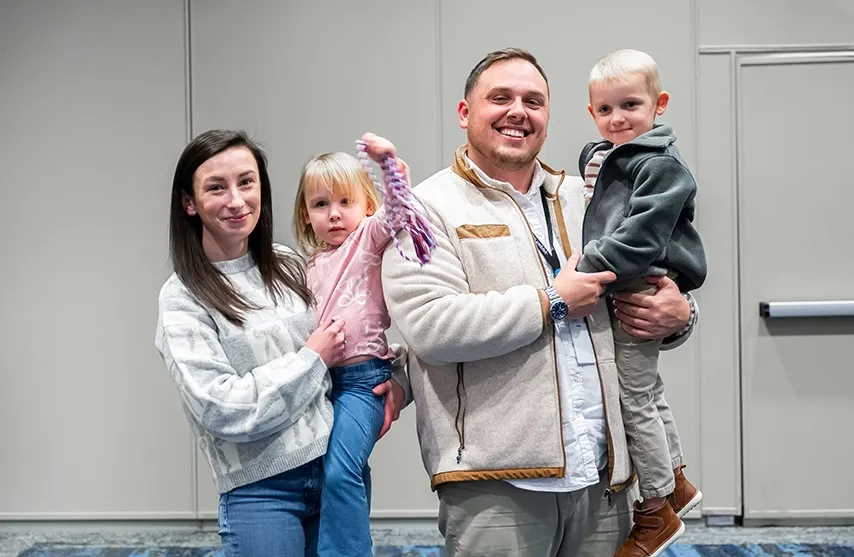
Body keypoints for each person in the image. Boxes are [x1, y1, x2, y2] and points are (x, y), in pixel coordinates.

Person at [380, 48, 699, 557]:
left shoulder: (588, 195)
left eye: (534, 101)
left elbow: (650, 275)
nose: (518, 111)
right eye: (500, 98)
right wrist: (551, 301)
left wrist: (680, 316)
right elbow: (431, 329)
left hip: (606, 478)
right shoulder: (423, 208)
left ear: (548, 119)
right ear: (465, 113)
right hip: (495, 485)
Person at [154, 129, 405, 557]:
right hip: (260, 492)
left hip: (334, 474)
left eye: (246, 182)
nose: (236, 200)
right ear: (189, 203)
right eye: (217, 187)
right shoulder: (182, 298)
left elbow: (359, 328)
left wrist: (400, 381)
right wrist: (312, 359)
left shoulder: (292, 265)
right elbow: (222, 407)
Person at [577, 48, 707, 557]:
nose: (618, 118)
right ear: (592, 112)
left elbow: (641, 237)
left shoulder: (661, 166)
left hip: (636, 284)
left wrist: (586, 269)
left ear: (660, 104)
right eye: (605, 109)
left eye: (630, 105)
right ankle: (675, 480)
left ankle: (655, 509)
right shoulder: (604, 155)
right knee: (647, 391)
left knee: (632, 401)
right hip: (624, 281)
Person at [292, 134, 416, 557]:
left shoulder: (367, 241)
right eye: (321, 204)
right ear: (306, 215)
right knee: (339, 473)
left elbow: (400, 208)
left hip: (364, 383)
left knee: (340, 473)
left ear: (366, 205)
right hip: (321, 384)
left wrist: (388, 167)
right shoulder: (307, 267)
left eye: (346, 201)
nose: (334, 214)